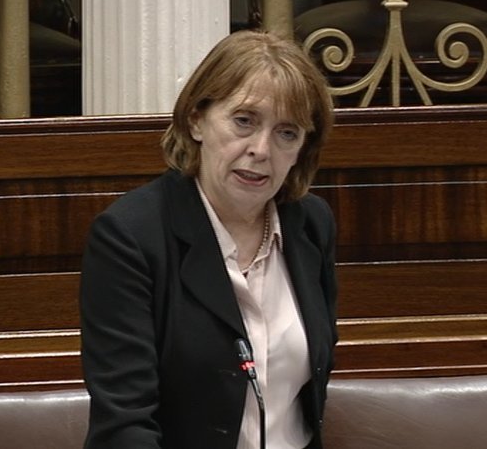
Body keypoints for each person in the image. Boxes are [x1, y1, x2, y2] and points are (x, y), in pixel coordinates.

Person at [79, 29, 337, 449]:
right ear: (196, 120)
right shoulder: (131, 237)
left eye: (286, 133)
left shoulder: (311, 225)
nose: (261, 149)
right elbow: (124, 424)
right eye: (244, 121)